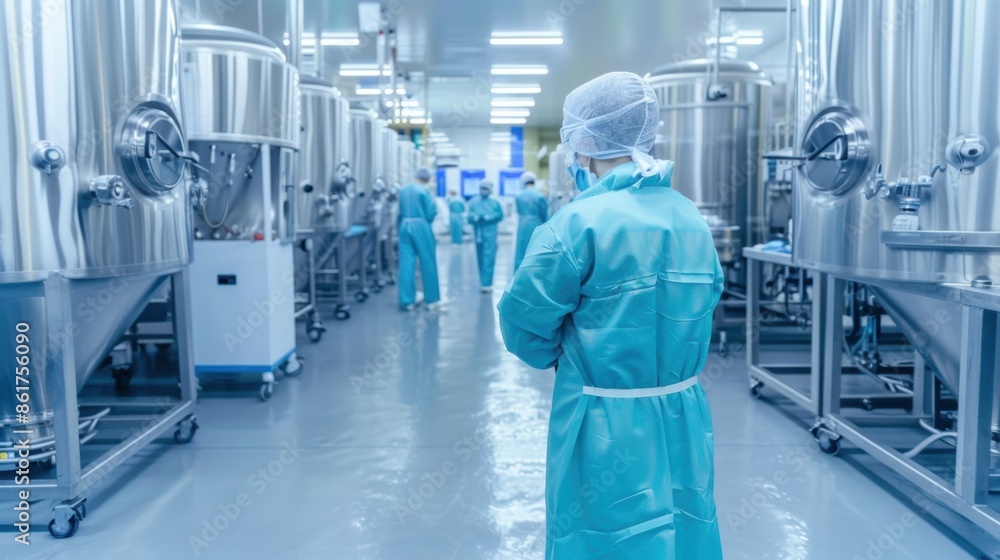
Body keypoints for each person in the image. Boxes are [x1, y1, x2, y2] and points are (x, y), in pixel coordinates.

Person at [497, 72, 725, 559]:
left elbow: (522, 322)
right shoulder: (688, 216)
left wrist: (567, 357)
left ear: (585, 142)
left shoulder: (577, 223)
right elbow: (708, 296)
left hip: (602, 420)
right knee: (684, 525)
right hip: (683, 415)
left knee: (602, 535)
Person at [397, 167, 443, 312]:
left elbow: (399, 211)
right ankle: (432, 300)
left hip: (404, 225)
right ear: (427, 178)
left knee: (406, 263)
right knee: (427, 261)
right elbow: (430, 212)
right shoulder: (423, 190)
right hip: (421, 226)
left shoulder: (403, 190)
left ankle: (407, 301)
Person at [467, 181, 504, 293]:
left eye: (486, 188)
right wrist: (476, 217)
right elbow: (469, 216)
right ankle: (482, 280)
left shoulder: (495, 202)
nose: (483, 190)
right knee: (480, 256)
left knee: (489, 256)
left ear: (490, 189)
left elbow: (500, 215)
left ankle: (487, 283)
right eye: (482, 188)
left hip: (490, 233)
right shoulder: (473, 201)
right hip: (478, 232)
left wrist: (489, 217)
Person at [513, 171, 549, 270]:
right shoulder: (539, 195)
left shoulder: (519, 196)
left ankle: (519, 273)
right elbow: (544, 213)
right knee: (534, 249)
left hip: (522, 224)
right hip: (536, 224)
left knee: (521, 250)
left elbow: (518, 211)